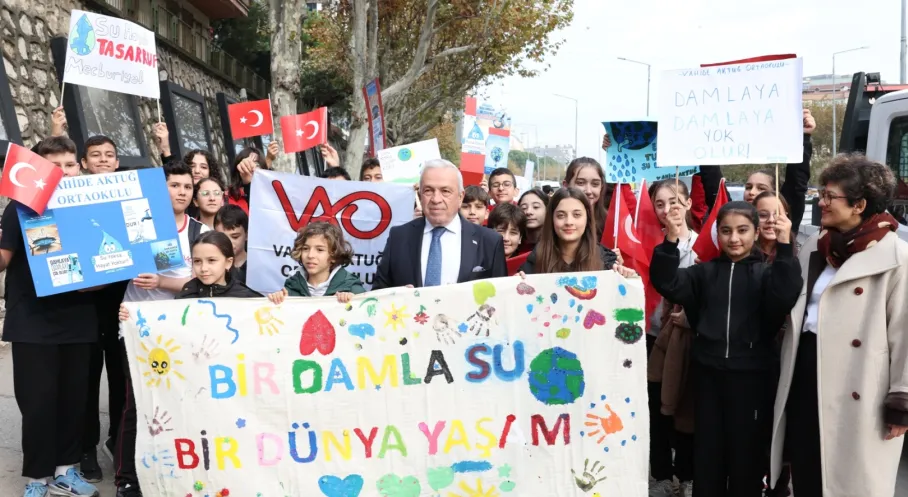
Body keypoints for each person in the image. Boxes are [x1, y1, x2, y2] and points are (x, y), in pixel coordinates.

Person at [770, 155, 908, 497]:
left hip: (858, 384)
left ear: (859, 204)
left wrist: (901, 401)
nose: (822, 201)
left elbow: (905, 335)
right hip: (806, 374)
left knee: (850, 481)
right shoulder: (816, 249)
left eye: (830, 196)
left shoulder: (896, 257)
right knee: (807, 470)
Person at [650, 200, 802, 497]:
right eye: (726, 231)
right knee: (708, 458)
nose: (734, 238)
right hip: (708, 379)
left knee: (747, 460)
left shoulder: (767, 274)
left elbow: (786, 295)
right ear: (717, 234)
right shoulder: (703, 274)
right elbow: (666, 280)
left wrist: (784, 247)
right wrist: (670, 237)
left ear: (757, 233)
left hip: (754, 382)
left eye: (743, 230)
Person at [0, 136, 101, 497]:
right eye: (53, 166)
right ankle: (37, 478)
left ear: (79, 167)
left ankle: (65, 471)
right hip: (32, 322)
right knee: (38, 403)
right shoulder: (19, 209)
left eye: (69, 164)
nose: (62, 172)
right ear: (40, 172)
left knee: (74, 401)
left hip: (79, 320)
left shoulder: (91, 209)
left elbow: (107, 259)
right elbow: (3, 259)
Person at [115, 161, 209, 497]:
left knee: (179, 402)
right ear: (161, 188)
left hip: (180, 331)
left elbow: (202, 280)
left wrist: (164, 282)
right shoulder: (140, 223)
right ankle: (127, 478)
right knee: (137, 404)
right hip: (137, 329)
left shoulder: (199, 232)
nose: (182, 192)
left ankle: (176, 472)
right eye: (174, 185)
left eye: (187, 187)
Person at [373, 159, 507, 289]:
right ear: (420, 196)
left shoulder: (490, 242)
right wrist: (398, 296)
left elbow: (500, 300)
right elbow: (379, 294)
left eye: (445, 191)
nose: (436, 199)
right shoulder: (398, 237)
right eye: (428, 191)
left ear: (460, 197)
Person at [78, 136, 128, 483]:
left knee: (122, 379)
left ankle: (117, 440)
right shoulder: (71, 198)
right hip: (83, 303)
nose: (104, 160)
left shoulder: (129, 196)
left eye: (110, 155)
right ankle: (86, 449)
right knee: (87, 378)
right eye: (96, 155)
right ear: (84, 162)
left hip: (124, 301)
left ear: (117, 163)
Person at [645, 180, 698, 497]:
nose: (667, 210)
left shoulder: (705, 246)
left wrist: (693, 317)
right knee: (657, 410)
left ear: (689, 204)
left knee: (686, 411)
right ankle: (662, 474)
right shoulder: (647, 242)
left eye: (675, 202)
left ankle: (688, 473)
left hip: (689, 342)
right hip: (654, 339)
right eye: (660, 204)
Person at [519, 187, 628, 276]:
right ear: (551, 219)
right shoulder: (537, 258)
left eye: (577, 215)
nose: (569, 222)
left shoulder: (606, 260)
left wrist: (626, 276)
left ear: (588, 218)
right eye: (561, 215)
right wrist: (518, 283)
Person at [267, 222, 365, 303]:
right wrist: (278, 301)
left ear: (334, 256)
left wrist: (354, 302)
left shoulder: (351, 287)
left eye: (319, 250)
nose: (310, 255)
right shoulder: (292, 286)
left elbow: (368, 314)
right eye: (305, 249)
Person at [562, 158, 609, 240]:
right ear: (566, 185)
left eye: (595, 184)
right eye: (580, 183)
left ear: (601, 186)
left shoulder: (610, 222)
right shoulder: (554, 220)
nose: (588, 191)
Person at [227, 146, 271, 214]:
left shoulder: (272, 193)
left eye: (256, 164)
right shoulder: (228, 197)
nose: (251, 166)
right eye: (246, 164)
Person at [753, 192, 792, 263]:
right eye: (763, 215)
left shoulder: (794, 255)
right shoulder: (744, 254)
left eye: (777, 215)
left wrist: (785, 245)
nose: (771, 220)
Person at [214, 205, 249, 283]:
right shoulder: (211, 267)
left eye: (235, 237)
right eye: (222, 237)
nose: (228, 242)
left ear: (246, 235)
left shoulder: (258, 266)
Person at [517, 188, 548, 254]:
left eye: (536, 207)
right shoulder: (513, 246)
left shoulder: (556, 246)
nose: (528, 212)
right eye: (524, 208)